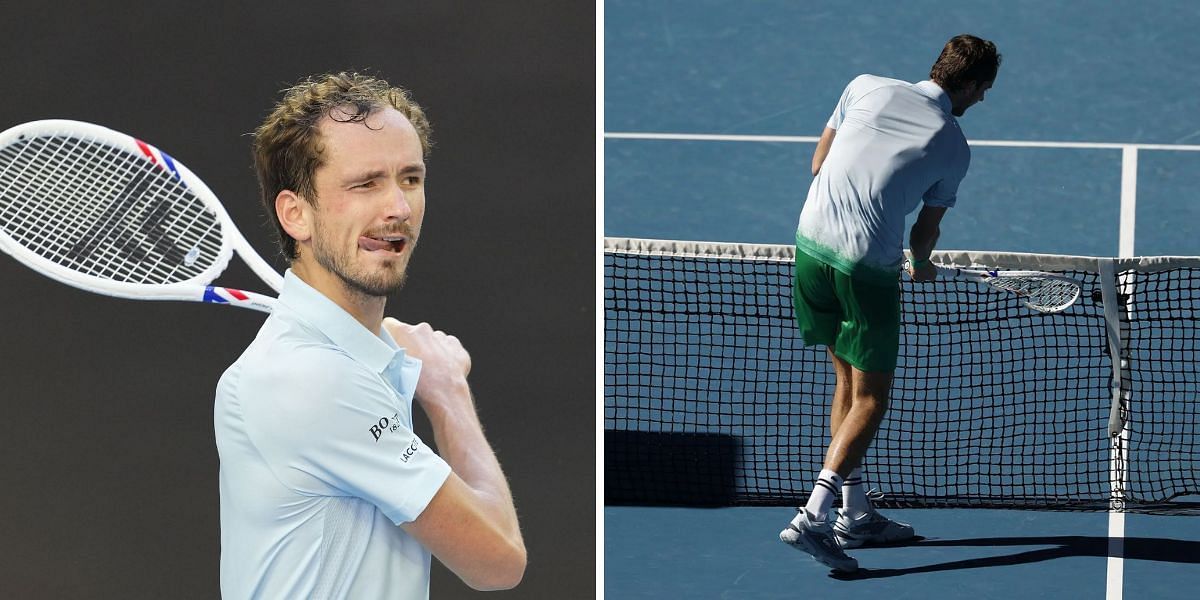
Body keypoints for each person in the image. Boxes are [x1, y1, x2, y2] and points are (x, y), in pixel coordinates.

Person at [214, 72, 526, 598]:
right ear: (296, 214)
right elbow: (496, 560)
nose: (399, 209)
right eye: (365, 184)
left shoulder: (343, 362)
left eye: (410, 178)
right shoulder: (310, 379)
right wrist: (447, 390)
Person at [779, 35, 1001, 572]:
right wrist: (921, 266)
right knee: (873, 398)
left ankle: (854, 515)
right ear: (969, 85)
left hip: (808, 247)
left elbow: (818, 164)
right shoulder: (953, 145)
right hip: (864, 269)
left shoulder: (864, 86)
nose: (983, 100)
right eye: (985, 90)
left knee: (847, 386)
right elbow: (924, 236)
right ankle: (813, 513)